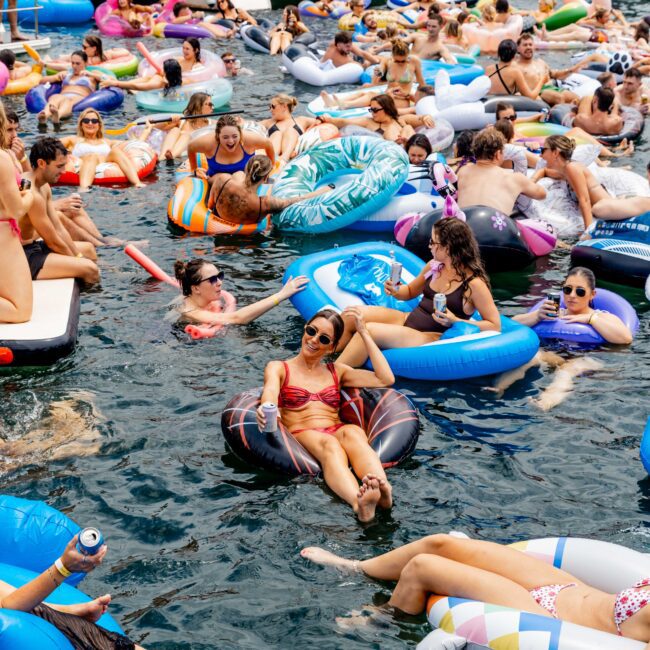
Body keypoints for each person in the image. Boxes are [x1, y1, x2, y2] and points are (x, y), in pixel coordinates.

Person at [300, 531, 650, 643]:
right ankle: (356, 567)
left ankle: (385, 618)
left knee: (423, 569)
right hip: (570, 589)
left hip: (555, 619)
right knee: (441, 545)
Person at [258, 307, 395, 522]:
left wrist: (364, 333)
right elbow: (270, 391)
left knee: (353, 433)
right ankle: (358, 503)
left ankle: (383, 487)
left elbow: (385, 379)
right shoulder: (279, 367)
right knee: (329, 445)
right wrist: (267, 406)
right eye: (311, 331)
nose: (313, 340)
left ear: (331, 347)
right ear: (305, 329)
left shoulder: (337, 371)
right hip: (304, 430)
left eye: (323, 338)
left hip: (335, 427)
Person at [336, 218, 501, 368]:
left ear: (447, 248)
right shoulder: (434, 266)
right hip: (407, 319)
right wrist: (395, 290)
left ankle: (333, 376)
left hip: (429, 336)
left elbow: (495, 326)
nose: (429, 245)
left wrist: (455, 320)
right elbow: (409, 292)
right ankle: (326, 356)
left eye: (432, 242)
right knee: (351, 315)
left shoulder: (474, 285)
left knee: (368, 331)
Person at [489, 267, 633, 410]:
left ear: (592, 294)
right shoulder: (555, 313)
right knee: (534, 355)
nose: (572, 295)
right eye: (567, 289)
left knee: (568, 370)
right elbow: (511, 325)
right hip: (555, 355)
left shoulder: (601, 316)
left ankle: (544, 403)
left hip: (587, 359)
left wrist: (590, 319)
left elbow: (626, 338)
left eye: (580, 291)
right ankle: (497, 389)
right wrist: (537, 315)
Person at [0, 533, 144, 649]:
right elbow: (9, 610)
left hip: (69, 630)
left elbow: (9, 600)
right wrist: (63, 568)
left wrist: (72, 610)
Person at [20, 137, 100, 284]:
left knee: (88, 249)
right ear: (42, 163)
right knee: (90, 269)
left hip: (33, 246)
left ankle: (85, 280)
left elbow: (58, 228)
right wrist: (78, 261)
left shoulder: (43, 186)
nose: (64, 171)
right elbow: (53, 241)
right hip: (21, 256)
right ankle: (92, 300)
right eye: (59, 166)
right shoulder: (31, 193)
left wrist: (78, 256)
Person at [532, 135, 650, 226]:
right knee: (598, 209)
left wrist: (588, 231)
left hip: (607, 206)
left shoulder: (572, 168)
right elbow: (545, 171)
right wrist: (532, 180)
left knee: (598, 209)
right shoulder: (565, 170)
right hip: (606, 203)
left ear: (555, 152)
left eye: (543, 150)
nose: (541, 155)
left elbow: (584, 200)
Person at [173, 256, 308, 326]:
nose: (220, 282)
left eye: (220, 276)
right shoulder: (192, 313)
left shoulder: (199, 299)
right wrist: (281, 294)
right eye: (213, 279)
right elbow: (237, 318)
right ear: (196, 288)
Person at [205, 154, 331, 225]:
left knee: (237, 175)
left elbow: (210, 205)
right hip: (248, 242)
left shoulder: (223, 180)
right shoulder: (266, 203)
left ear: (246, 169)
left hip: (217, 226)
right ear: (265, 178)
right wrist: (323, 190)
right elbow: (298, 199)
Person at [457, 128, 546, 216]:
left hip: (464, 222)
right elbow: (542, 194)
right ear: (498, 154)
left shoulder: (463, 171)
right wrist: (538, 175)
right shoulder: (515, 178)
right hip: (495, 226)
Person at [0, 102, 34, 324]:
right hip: (3, 234)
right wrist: (30, 194)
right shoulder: (1, 159)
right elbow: (17, 209)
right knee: (20, 311)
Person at [321, 40, 422, 110]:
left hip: (402, 100)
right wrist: (379, 71)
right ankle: (333, 103)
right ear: (392, 56)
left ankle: (346, 105)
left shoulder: (414, 62)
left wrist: (411, 96)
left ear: (407, 55)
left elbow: (422, 84)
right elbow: (381, 71)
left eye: (403, 61)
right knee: (362, 92)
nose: (400, 63)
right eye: (397, 60)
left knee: (371, 96)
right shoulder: (388, 61)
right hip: (387, 95)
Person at [60, 109, 145, 190]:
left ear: (99, 125)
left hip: (104, 161)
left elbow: (133, 144)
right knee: (91, 156)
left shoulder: (107, 142)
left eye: (94, 121)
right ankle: (84, 188)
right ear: (81, 124)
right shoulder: (73, 140)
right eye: (86, 121)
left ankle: (137, 182)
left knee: (116, 151)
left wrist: (146, 131)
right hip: (85, 162)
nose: (90, 123)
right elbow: (52, 145)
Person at [188, 115, 275, 185]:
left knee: (239, 177)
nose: (231, 141)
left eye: (235, 136)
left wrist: (270, 168)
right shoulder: (208, 143)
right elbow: (191, 147)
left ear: (240, 134)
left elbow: (268, 144)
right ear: (218, 136)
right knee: (224, 179)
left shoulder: (248, 139)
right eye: (225, 137)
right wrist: (194, 169)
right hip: (217, 179)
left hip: (244, 178)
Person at [318, 93, 432, 143]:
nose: (372, 113)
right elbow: (344, 122)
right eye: (371, 109)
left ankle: (408, 146)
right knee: (392, 129)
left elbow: (419, 118)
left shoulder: (401, 120)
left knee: (407, 127)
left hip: (410, 152)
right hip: (389, 151)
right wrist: (328, 119)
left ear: (387, 109)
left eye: (375, 110)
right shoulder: (368, 122)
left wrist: (426, 117)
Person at [36, 50, 106, 127]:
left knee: (68, 100)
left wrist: (91, 74)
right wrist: (55, 77)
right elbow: (41, 81)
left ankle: (58, 115)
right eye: (72, 63)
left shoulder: (92, 74)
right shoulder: (67, 73)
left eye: (78, 63)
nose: (74, 66)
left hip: (78, 97)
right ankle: (45, 115)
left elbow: (107, 79)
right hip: (62, 95)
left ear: (86, 63)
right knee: (54, 97)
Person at [512, 34, 578, 106]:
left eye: (530, 45)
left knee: (576, 99)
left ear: (534, 47)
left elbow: (554, 74)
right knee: (559, 97)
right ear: (518, 48)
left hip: (550, 88)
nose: (528, 47)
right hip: (537, 91)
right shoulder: (516, 66)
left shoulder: (541, 62)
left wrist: (570, 70)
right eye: (525, 45)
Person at [150, 92, 217, 161]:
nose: (212, 107)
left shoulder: (213, 124)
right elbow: (155, 128)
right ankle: (162, 157)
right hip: (175, 153)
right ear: (199, 106)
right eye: (210, 104)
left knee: (187, 135)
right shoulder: (182, 121)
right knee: (175, 130)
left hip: (184, 155)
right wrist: (168, 121)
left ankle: (171, 155)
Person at [260, 94, 320, 163]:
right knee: (277, 134)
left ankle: (284, 158)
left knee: (291, 131)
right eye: (269, 107)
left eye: (273, 106)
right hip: (271, 158)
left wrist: (310, 128)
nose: (270, 110)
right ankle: (271, 160)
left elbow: (320, 120)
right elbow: (250, 125)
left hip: (292, 158)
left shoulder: (301, 120)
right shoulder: (270, 122)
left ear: (284, 107)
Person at [43, 35, 131, 71]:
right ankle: (51, 59)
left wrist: (46, 65)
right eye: (82, 46)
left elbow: (69, 67)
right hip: (71, 58)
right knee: (68, 56)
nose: (83, 49)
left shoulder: (99, 58)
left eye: (85, 47)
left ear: (94, 48)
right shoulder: (85, 54)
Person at [101, 58, 182, 93]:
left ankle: (111, 80)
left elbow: (136, 87)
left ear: (166, 72)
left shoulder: (158, 83)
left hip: (138, 91)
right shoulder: (180, 81)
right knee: (149, 77)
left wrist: (116, 83)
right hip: (148, 85)